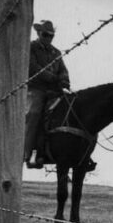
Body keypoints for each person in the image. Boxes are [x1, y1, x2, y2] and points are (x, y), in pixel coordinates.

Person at [24, 20, 72, 169]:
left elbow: (63, 69)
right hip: (35, 88)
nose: (49, 38)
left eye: (51, 35)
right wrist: (52, 78)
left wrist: (64, 81)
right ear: (39, 33)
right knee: (34, 113)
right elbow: (32, 68)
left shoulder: (56, 52)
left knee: (69, 111)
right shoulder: (31, 48)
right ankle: (26, 153)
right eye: (46, 35)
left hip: (54, 90)